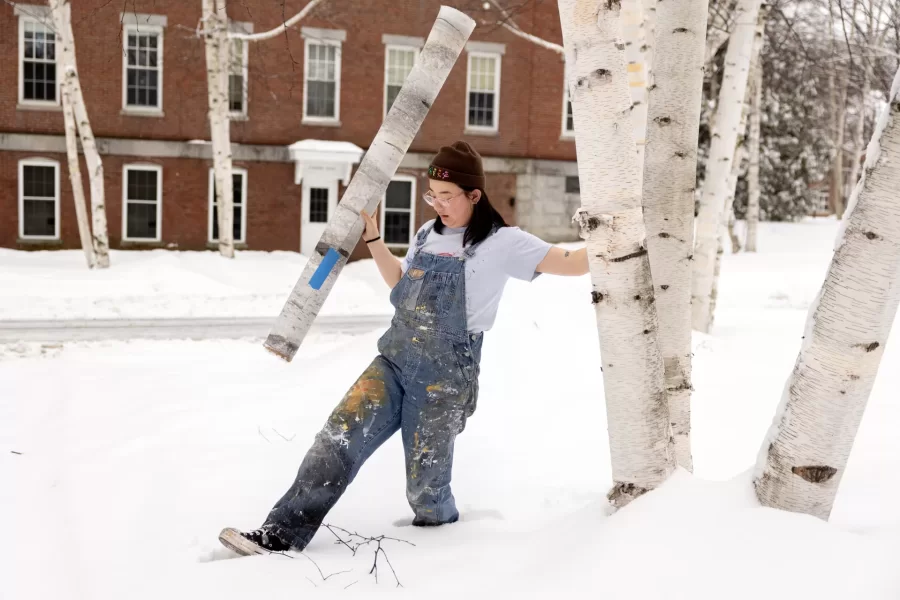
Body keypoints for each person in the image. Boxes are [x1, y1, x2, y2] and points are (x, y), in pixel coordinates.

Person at [219, 141, 589, 556]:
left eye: (447, 196)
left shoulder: (503, 242)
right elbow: (401, 283)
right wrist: (375, 238)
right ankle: (281, 534)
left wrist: (614, 236)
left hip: (445, 376)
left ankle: (437, 550)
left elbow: (572, 262)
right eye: (433, 195)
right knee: (337, 438)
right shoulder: (427, 234)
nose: (438, 204)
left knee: (426, 485)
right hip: (394, 360)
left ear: (474, 195)